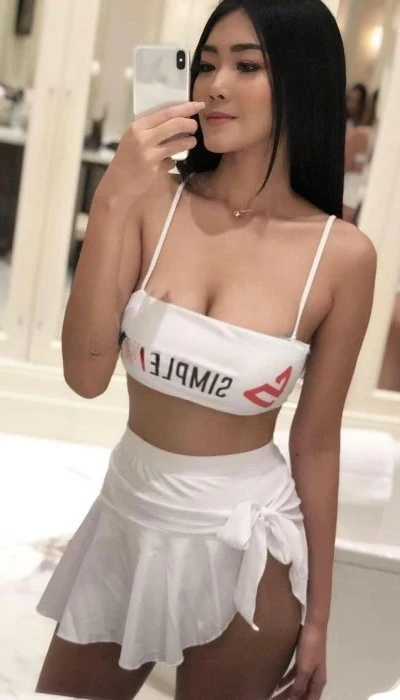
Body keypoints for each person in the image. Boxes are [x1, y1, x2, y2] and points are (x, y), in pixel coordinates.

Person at [35, 1, 377, 699]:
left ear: (302, 81)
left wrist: (318, 618)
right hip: (126, 518)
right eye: (206, 64)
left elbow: (316, 443)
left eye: (247, 66)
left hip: (247, 548)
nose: (215, 85)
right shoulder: (150, 205)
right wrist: (112, 198)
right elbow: (85, 376)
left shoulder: (341, 256)